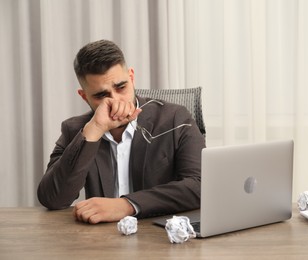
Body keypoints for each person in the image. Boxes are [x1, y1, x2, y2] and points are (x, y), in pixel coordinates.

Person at [37, 39, 205, 224]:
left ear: (131, 78)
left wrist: (126, 205)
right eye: (101, 95)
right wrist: (94, 130)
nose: (115, 101)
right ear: (84, 96)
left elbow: (200, 185)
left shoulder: (175, 118)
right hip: (102, 241)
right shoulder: (76, 130)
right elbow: (52, 199)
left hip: (160, 236)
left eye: (121, 87)